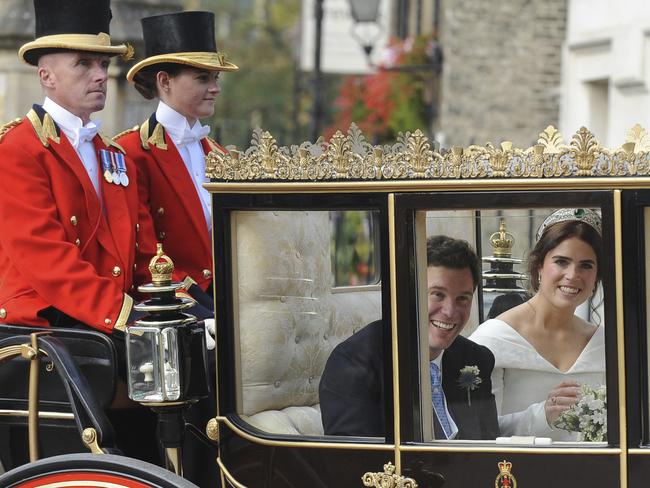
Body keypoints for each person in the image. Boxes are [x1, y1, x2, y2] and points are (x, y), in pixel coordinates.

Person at [0, 0, 148, 335]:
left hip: (107, 323)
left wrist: (174, 309)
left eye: (103, 62)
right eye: (83, 63)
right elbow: (46, 260)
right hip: (47, 328)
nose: (100, 75)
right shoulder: (18, 149)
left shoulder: (114, 155)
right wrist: (126, 317)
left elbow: (139, 257)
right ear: (46, 75)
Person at [319, 235, 499, 440]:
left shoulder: (476, 358)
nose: (450, 311)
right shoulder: (354, 363)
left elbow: (490, 444)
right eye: (437, 294)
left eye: (462, 299)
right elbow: (354, 461)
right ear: (408, 292)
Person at [115, 11, 238, 310]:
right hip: (172, 302)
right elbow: (143, 256)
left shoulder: (220, 154)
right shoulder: (131, 152)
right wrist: (202, 309)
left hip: (226, 297)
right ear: (164, 81)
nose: (215, 88)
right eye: (202, 78)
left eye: (215, 78)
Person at [470, 208, 605, 441]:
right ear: (539, 266)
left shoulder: (605, 344)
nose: (573, 275)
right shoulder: (493, 339)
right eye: (561, 262)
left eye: (586, 265)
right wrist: (542, 416)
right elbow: (478, 432)